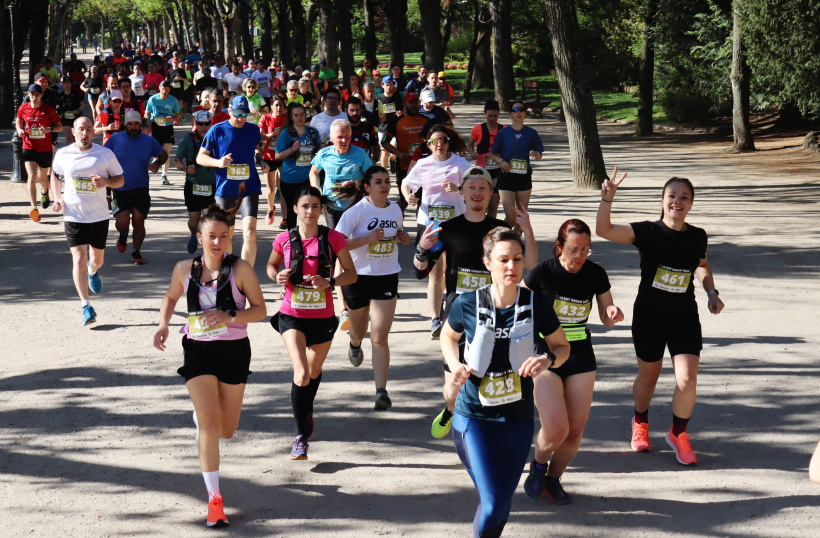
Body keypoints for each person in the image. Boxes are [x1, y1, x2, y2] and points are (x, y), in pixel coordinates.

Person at [441, 227, 570, 538]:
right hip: (475, 419)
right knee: (495, 502)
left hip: (518, 420)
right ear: (488, 263)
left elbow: (563, 347)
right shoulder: (468, 303)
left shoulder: (536, 303)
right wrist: (454, 363)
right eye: (503, 260)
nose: (512, 267)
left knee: (502, 505)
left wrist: (548, 360)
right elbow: (448, 334)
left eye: (517, 258)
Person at [596, 169, 725, 465]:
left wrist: (711, 292)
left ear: (691, 204)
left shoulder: (697, 236)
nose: (677, 201)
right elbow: (604, 230)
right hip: (649, 317)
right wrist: (607, 199)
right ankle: (640, 421)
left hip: (684, 317)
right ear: (662, 200)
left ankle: (678, 433)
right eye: (672, 196)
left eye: (684, 197)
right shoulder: (647, 232)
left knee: (687, 378)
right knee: (649, 376)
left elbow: (702, 264)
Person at [152, 197, 267, 528]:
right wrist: (163, 323)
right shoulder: (184, 270)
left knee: (227, 430)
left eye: (223, 236)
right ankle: (214, 500)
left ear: (230, 237)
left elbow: (260, 310)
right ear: (199, 237)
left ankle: (204, 419)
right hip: (198, 350)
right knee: (211, 425)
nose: (217, 242)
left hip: (233, 351)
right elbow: (172, 296)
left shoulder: (241, 269)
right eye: (211, 236)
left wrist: (230, 313)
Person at [416, 167, 538, 438]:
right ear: (462, 193)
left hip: (497, 314)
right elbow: (420, 269)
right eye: (471, 187)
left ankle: (477, 433)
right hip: (459, 315)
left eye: (483, 188)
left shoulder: (501, 232)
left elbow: (529, 264)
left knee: (491, 378)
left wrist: (526, 230)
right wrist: (422, 248)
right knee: (453, 390)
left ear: (491, 194)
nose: (477, 193)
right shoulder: (448, 229)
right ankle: (451, 410)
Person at [521, 219, 624, 504]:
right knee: (555, 427)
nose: (580, 256)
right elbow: (515, 306)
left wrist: (613, 314)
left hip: (580, 356)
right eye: (574, 249)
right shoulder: (543, 271)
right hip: (544, 355)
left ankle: (553, 479)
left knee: (574, 433)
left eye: (585, 250)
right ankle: (538, 466)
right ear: (559, 248)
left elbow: (606, 316)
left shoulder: (595, 274)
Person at [266, 185, 357, 460]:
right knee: (302, 373)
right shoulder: (283, 239)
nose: (309, 211)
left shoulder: (334, 239)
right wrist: (276, 276)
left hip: (322, 318)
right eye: (304, 206)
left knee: (314, 372)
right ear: (295, 209)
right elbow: (271, 266)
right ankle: (300, 437)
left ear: (321, 210)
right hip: (291, 315)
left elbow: (351, 275)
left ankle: (307, 411)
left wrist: (330, 281)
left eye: (315, 206)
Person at [335, 166, 411, 409]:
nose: (384, 185)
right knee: (358, 331)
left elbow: (395, 232)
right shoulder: (356, 212)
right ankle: (355, 343)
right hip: (358, 278)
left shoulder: (396, 209)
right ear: (367, 187)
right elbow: (337, 244)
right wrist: (366, 240)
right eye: (378, 182)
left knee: (380, 336)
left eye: (387, 181)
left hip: (387, 276)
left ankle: (381, 391)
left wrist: (402, 236)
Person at [50, 116, 125, 325]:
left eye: (89, 129)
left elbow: (121, 179)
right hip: (73, 215)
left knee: (96, 261)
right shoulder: (63, 154)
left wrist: (106, 182)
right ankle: (86, 306)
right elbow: (55, 175)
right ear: (73, 132)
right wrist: (57, 198)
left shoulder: (105, 154)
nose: (85, 133)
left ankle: (93, 272)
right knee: (79, 260)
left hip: (99, 216)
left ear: (94, 132)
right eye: (81, 129)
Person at [401, 125, 472, 338]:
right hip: (429, 223)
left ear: (449, 142)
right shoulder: (423, 164)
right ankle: (435, 319)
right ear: (428, 144)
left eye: (443, 139)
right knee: (435, 272)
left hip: (456, 223)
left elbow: (477, 185)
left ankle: (452, 316)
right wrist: (408, 196)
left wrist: (459, 188)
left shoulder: (460, 164)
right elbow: (406, 183)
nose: (439, 143)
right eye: (434, 140)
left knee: (452, 271)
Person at [196, 95, 270, 268]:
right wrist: (218, 162)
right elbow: (200, 157)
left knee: (250, 232)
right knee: (226, 234)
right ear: (229, 111)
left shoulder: (253, 130)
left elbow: (256, 149)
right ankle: (227, 269)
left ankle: (246, 272)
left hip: (248, 187)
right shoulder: (216, 130)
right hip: (225, 190)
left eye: (244, 114)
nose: (240, 118)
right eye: (237, 114)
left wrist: (260, 161)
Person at [106, 111, 168, 265]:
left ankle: (136, 252)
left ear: (141, 125)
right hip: (119, 188)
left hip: (140, 188)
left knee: (139, 221)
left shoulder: (149, 141)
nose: (133, 127)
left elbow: (164, 155)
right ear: (124, 125)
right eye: (130, 124)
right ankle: (123, 235)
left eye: (136, 124)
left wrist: (157, 163)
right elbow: (103, 157)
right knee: (122, 223)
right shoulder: (115, 139)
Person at [485, 101, 544, 228]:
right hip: (506, 176)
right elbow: (492, 154)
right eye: (515, 109)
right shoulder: (503, 133)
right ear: (510, 114)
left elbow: (540, 154)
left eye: (521, 109)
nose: (518, 112)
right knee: (511, 216)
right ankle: (499, 237)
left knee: (522, 215)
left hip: (524, 177)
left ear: (525, 113)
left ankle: (516, 242)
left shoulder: (531, 132)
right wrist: (501, 161)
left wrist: (536, 154)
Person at [309, 119, 373, 229]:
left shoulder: (360, 154)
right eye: (340, 137)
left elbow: (372, 176)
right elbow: (313, 172)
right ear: (331, 137)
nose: (344, 140)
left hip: (354, 205)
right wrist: (316, 191)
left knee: (354, 241)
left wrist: (356, 184)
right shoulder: (324, 154)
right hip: (332, 205)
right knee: (335, 240)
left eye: (347, 136)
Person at [16, 84, 63, 221]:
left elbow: (59, 127)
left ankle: (44, 191)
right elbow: (19, 120)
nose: (34, 97)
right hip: (29, 146)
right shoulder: (23, 108)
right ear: (28, 94)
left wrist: (50, 130)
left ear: (41, 95)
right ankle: (34, 208)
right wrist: (19, 130)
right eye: (32, 94)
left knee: (43, 179)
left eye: (37, 94)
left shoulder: (48, 110)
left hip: (44, 149)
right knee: (31, 176)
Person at [276, 103, 322, 231]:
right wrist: (292, 149)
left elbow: (318, 150)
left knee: (308, 210)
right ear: (291, 117)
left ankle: (307, 237)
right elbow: (277, 155)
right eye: (296, 115)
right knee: (292, 212)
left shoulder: (313, 132)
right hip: (289, 179)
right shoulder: (286, 133)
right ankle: (293, 240)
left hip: (307, 178)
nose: (300, 118)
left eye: (302, 114)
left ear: (306, 115)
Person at [176, 110, 217, 254]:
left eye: (207, 124)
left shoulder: (216, 139)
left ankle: (208, 250)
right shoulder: (187, 140)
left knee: (208, 220)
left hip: (211, 184)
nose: (204, 127)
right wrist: (185, 168)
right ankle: (194, 234)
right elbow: (177, 161)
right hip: (193, 185)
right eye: (200, 124)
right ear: (196, 124)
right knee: (194, 223)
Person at [381, 92, 428, 212]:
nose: (414, 105)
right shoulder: (397, 122)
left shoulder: (427, 121)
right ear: (405, 104)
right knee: (404, 201)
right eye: (411, 102)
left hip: (425, 168)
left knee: (423, 201)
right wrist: (399, 154)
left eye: (416, 102)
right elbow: (384, 142)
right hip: (404, 168)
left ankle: (421, 230)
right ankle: (396, 226)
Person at [468, 100, 505, 218]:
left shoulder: (504, 129)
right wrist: (472, 152)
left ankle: (490, 230)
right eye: (489, 116)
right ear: (485, 114)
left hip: (499, 170)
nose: (492, 118)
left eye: (495, 116)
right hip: (482, 170)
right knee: (483, 204)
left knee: (494, 204)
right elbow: (469, 144)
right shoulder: (477, 129)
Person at [259, 95, 289, 228]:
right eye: (276, 105)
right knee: (271, 190)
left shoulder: (287, 119)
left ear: (284, 108)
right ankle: (271, 209)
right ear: (271, 106)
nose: (278, 108)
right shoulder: (265, 118)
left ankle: (285, 218)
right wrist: (271, 135)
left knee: (283, 189)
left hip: (283, 157)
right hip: (269, 157)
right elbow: (259, 138)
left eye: (280, 105)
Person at [144, 80, 181, 185]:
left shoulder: (173, 100)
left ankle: (164, 175)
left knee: (166, 153)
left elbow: (179, 113)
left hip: (167, 128)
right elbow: (147, 113)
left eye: (166, 90)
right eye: (162, 89)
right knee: (157, 153)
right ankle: (157, 160)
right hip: (155, 127)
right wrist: (148, 127)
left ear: (169, 90)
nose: (164, 91)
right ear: (159, 88)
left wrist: (173, 118)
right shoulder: (153, 99)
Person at [346, 97, 379, 163]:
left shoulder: (369, 127)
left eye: (357, 110)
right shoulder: (342, 129)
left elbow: (376, 145)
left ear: (361, 110)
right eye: (352, 110)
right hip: (347, 167)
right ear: (346, 110)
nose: (355, 113)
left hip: (365, 168)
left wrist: (375, 159)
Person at [58, 76, 84, 146]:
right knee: (69, 137)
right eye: (65, 83)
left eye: (68, 83)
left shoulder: (76, 94)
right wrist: (60, 110)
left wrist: (78, 110)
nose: (67, 85)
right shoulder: (60, 95)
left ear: (71, 84)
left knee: (74, 137)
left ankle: (76, 150)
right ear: (63, 84)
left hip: (75, 118)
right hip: (65, 119)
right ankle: (69, 152)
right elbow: (57, 107)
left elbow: (82, 105)